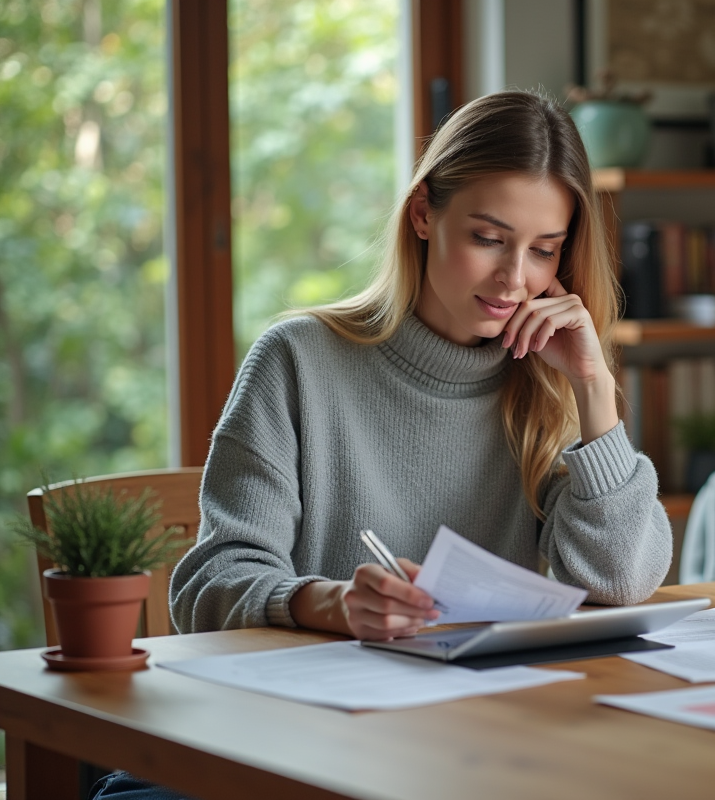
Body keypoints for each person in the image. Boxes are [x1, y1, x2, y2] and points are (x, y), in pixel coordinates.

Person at [91, 90, 672, 799]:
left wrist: (594, 387)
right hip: (279, 747)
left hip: (468, 752)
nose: (514, 279)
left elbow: (621, 581)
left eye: (543, 251)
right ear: (424, 213)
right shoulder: (298, 360)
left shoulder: (551, 390)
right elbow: (207, 583)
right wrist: (329, 603)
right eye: (488, 238)